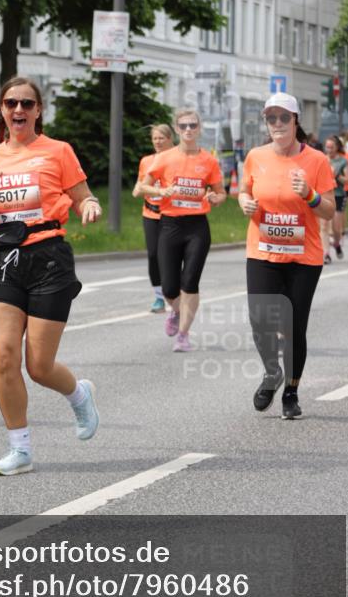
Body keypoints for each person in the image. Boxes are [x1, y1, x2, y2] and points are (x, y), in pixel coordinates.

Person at [0, 76, 101, 477]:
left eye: (27, 103)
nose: (19, 110)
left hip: (48, 260)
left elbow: (83, 196)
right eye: (12, 103)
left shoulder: (58, 151)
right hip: (5, 259)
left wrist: (91, 206)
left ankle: (79, 395)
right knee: (5, 355)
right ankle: (20, 450)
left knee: (38, 365)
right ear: (3, 110)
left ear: (38, 110)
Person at [239, 93, 334, 420]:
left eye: (283, 118)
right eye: (271, 118)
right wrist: (244, 203)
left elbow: (330, 210)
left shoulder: (317, 161)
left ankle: (291, 392)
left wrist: (309, 194)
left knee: (293, 327)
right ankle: (271, 372)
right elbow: (243, 190)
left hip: (303, 258)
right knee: (260, 320)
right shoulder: (255, 156)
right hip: (262, 251)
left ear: (296, 121)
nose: (277, 124)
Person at [138, 108, 225, 353]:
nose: (188, 130)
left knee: (190, 282)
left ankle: (184, 335)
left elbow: (221, 192)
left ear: (199, 128)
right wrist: (160, 192)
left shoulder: (208, 160)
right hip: (170, 225)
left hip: (197, 226)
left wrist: (215, 198)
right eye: (184, 126)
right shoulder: (164, 158)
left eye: (193, 126)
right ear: (177, 129)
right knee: (168, 287)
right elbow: (144, 187)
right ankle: (176, 311)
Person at [132, 124, 175, 313]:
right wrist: (138, 189)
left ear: (170, 138)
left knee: (170, 256)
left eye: (161, 138)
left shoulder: (177, 159)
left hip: (171, 214)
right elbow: (140, 184)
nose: (157, 142)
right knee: (153, 255)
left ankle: (174, 294)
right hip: (150, 213)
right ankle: (159, 298)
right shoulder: (146, 161)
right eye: (155, 138)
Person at [321, 135, 348, 262]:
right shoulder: (322, 160)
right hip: (324, 194)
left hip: (338, 195)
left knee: (336, 229)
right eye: (327, 147)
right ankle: (326, 253)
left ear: (337, 147)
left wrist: (336, 175)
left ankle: (337, 244)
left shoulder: (343, 161)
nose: (329, 149)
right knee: (324, 225)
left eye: (331, 147)